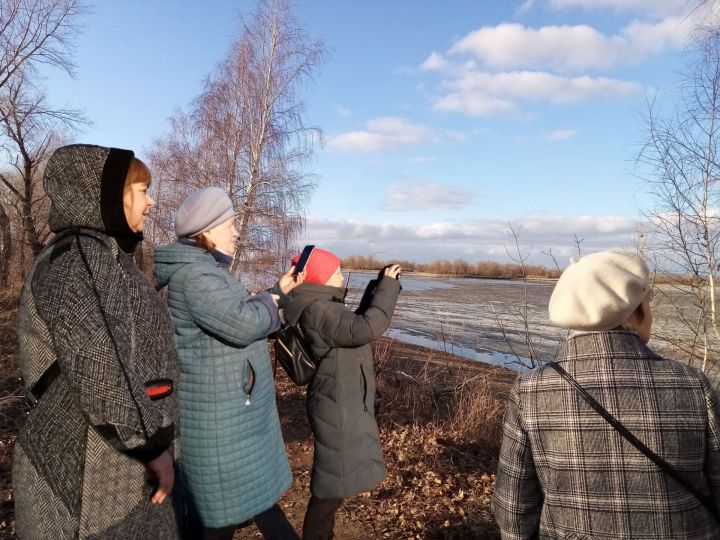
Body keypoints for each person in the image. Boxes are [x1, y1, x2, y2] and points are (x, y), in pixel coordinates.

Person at [492, 250, 720, 540]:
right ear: (633, 312)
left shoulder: (531, 389)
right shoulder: (692, 384)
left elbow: (513, 509)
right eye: (647, 303)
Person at [13, 144, 180, 538]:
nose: (151, 202)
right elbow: (103, 368)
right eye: (142, 190)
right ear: (104, 196)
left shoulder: (100, 255)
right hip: (92, 480)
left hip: (108, 467)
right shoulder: (81, 259)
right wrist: (151, 447)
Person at [153, 187, 301, 540]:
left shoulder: (205, 271)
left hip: (224, 416)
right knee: (215, 525)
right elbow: (243, 323)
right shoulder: (197, 276)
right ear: (206, 230)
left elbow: (236, 313)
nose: (236, 232)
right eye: (230, 225)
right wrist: (272, 304)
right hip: (216, 422)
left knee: (220, 520)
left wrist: (275, 293)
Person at [282, 249, 401, 540]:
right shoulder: (320, 309)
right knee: (329, 487)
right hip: (336, 404)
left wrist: (376, 287)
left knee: (334, 485)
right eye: (336, 272)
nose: (341, 276)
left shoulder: (323, 305)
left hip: (339, 398)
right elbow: (366, 327)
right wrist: (387, 288)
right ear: (321, 277)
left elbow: (352, 325)